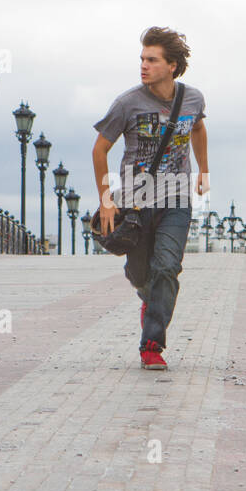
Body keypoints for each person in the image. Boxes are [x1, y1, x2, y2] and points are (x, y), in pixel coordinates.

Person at [92, 26, 208, 371]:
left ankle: (152, 343)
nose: (144, 65)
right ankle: (150, 299)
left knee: (167, 267)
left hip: (177, 197)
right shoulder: (127, 103)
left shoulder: (192, 99)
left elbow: (198, 129)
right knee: (141, 273)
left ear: (172, 65)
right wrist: (105, 199)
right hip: (135, 202)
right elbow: (100, 149)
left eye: (152, 60)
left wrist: (203, 170)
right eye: (142, 59)